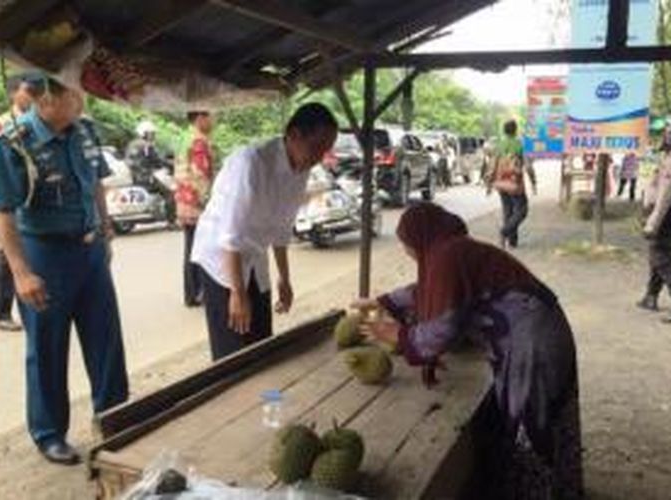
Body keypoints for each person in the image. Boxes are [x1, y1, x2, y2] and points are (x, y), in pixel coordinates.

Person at [353, 203, 582, 499]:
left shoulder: (448, 256)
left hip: (533, 345)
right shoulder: (452, 250)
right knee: (542, 422)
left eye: (406, 244)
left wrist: (397, 335)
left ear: (419, 237)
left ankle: (534, 493)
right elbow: (427, 289)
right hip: (540, 335)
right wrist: (383, 302)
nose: (407, 252)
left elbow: (440, 331)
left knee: (533, 427)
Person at [0, 76, 129, 465]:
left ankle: (115, 417)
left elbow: (95, 184)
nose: (84, 99)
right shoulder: (15, 143)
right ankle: (49, 433)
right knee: (47, 349)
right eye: (76, 93)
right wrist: (20, 272)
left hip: (90, 252)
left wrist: (105, 229)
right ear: (47, 100)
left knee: (106, 340)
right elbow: (3, 211)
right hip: (45, 256)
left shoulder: (84, 129)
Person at [191, 103, 337, 361]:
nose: (319, 157)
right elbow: (230, 236)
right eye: (316, 147)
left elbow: (281, 228)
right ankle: (237, 401)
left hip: (254, 257)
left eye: (325, 150)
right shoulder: (251, 162)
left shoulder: (301, 168)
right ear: (293, 135)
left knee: (262, 345)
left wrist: (284, 277)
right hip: (221, 260)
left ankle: (268, 401)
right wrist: (237, 293)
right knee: (233, 352)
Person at [638, 117, 671, 324]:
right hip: (670, 212)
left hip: (666, 213)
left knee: (659, 255)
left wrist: (652, 223)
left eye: (666, 132)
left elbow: (665, 195)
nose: (663, 136)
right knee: (659, 254)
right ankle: (651, 296)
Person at [0, 71, 40, 332]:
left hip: (30, 200)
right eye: (28, 91)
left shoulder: (39, 120)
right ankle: (2, 311)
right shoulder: (5, 123)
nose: (33, 97)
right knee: (6, 255)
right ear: (15, 92)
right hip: (6, 196)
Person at [175, 111, 215, 307]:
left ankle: (191, 293)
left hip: (184, 200)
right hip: (196, 202)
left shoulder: (184, 137)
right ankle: (201, 292)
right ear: (200, 118)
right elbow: (201, 175)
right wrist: (207, 202)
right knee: (200, 247)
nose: (213, 120)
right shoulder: (199, 141)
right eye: (210, 115)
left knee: (190, 246)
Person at [487, 120, 537, 249]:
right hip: (515, 184)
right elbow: (528, 166)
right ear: (515, 130)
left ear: (504, 131)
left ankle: (512, 242)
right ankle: (504, 232)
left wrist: (489, 185)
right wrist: (533, 182)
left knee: (508, 211)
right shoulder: (520, 145)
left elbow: (492, 166)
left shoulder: (499, 145)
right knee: (522, 210)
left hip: (501, 183)